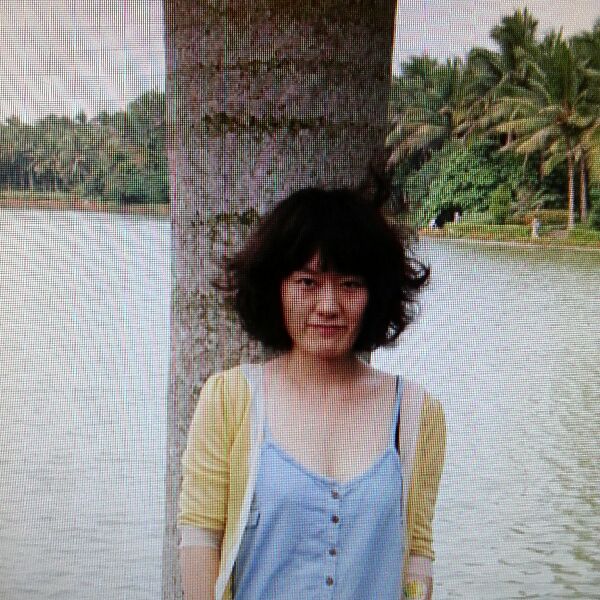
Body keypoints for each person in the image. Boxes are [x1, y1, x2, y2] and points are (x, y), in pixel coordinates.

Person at [178, 187, 446, 600]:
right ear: (276, 288)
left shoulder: (415, 413)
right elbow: (201, 538)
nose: (328, 305)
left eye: (350, 284)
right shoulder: (229, 399)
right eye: (307, 282)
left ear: (376, 294)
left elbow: (417, 555)